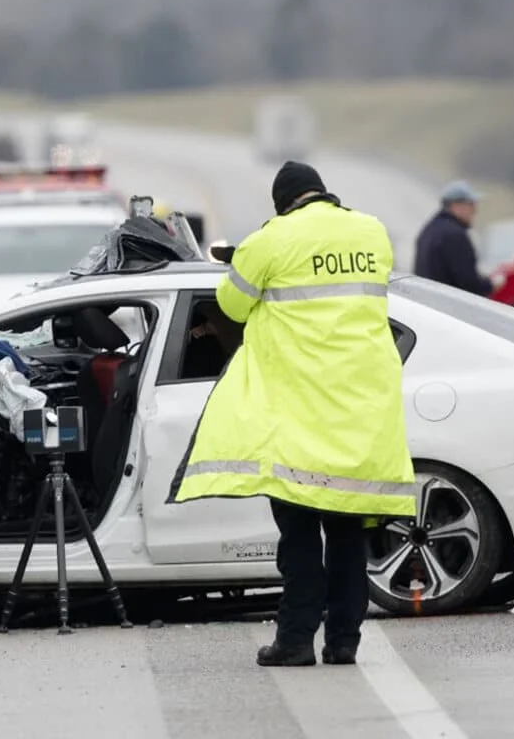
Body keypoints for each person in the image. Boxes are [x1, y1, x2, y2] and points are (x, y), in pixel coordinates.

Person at [166, 160, 416, 667]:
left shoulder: (271, 240)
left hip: (299, 415)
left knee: (299, 539)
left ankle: (296, 640)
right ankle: (344, 642)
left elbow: (231, 306)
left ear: (282, 203)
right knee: (347, 537)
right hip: (360, 410)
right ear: (322, 192)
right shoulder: (372, 232)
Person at [413, 180, 493, 295]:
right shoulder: (454, 236)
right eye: (471, 204)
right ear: (456, 205)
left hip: (428, 300)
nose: (475, 209)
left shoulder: (430, 229)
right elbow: (468, 283)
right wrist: (490, 285)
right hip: (446, 305)